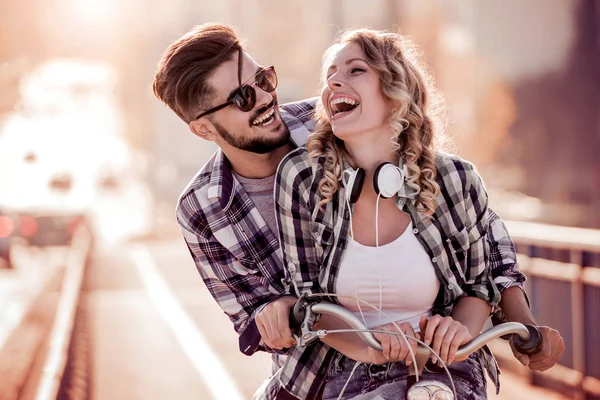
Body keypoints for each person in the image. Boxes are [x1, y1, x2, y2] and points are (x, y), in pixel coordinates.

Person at [151, 23, 564, 400]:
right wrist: (271, 315)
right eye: (243, 97)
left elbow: (478, 236)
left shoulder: (340, 118)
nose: (264, 98)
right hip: (311, 373)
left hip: (433, 358)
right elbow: (253, 315)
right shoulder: (202, 210)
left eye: (263, 79)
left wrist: (523, 327)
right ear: (204, 128)